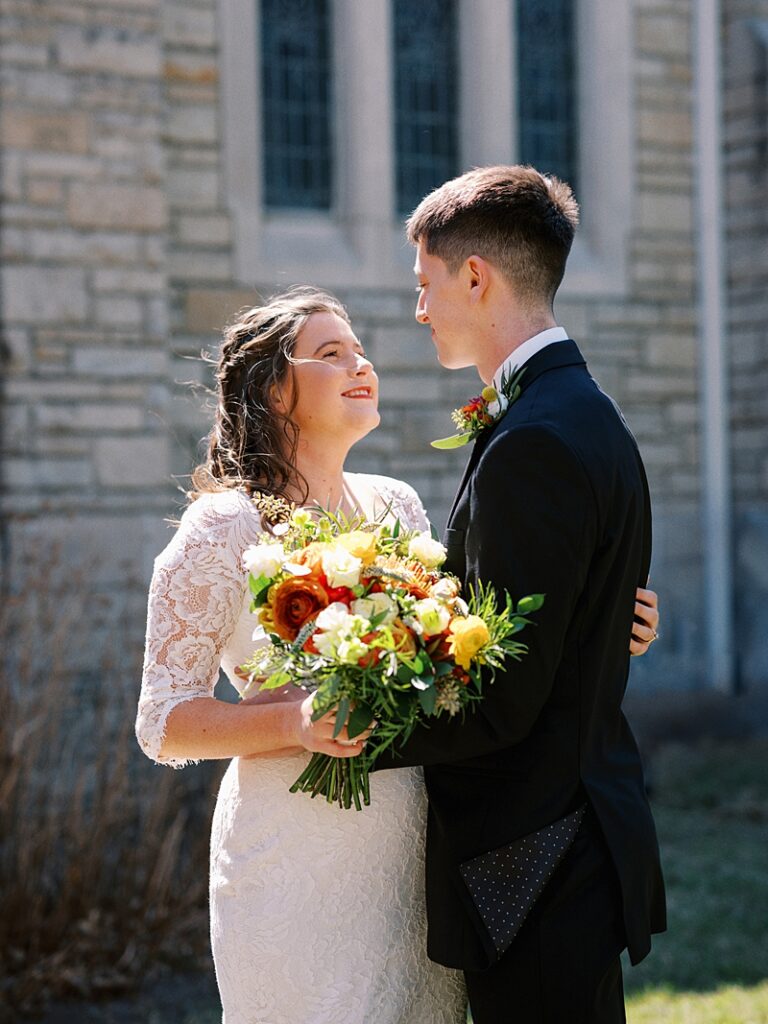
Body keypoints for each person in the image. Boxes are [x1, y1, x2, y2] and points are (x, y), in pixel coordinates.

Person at [135, 286, 660, 1023]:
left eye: (358, 348)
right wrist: (293, 724)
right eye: (329, 354)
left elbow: (463, 649)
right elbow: (162, 721)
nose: (361, 363)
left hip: (414, 852)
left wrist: (599, 623)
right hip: (293, 858)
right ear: (270, 390)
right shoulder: (221, 530)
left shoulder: (397, 506)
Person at [370, 165, 667, 1024]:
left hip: (534, 865)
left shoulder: (536, 440)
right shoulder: (583, 412)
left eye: (426, 284)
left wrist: (348, 731)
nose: (419, 309)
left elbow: (504, 701)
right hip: (568, 854)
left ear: (476, 276)